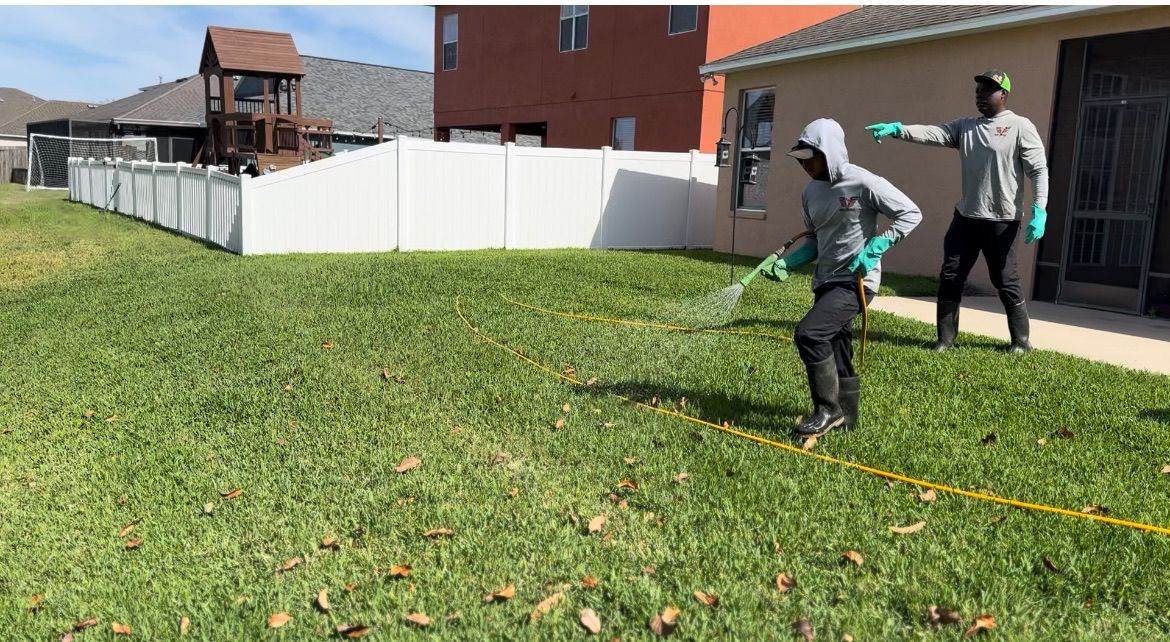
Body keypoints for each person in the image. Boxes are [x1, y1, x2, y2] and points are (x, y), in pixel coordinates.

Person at [865, 69, 1049, 353]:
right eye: (978, 90)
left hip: (1001, 220)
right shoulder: (966, 127)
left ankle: (1021, 341)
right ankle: (945, 339)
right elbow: (934, 133)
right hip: (966, 218)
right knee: (951, 275)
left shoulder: (1020, 127)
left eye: (988, 90)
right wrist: (898, 129)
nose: (980, 95)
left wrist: (1040, 210)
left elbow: (1038, 171)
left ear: (1004, 95)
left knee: (1004, 279)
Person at [762, 118, 921, 437]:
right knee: (837, 345)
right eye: (801, 160)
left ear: (829, 153)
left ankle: (827, 409)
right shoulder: (810, 193)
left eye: (811, 159)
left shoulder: (863, 182)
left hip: (857, 281)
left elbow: (911, 213)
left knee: (810, 334)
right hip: (826, 281)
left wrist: (879, 245)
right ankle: (848, 419)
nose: (805, 167)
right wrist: (788, 264)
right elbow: (815, 242)